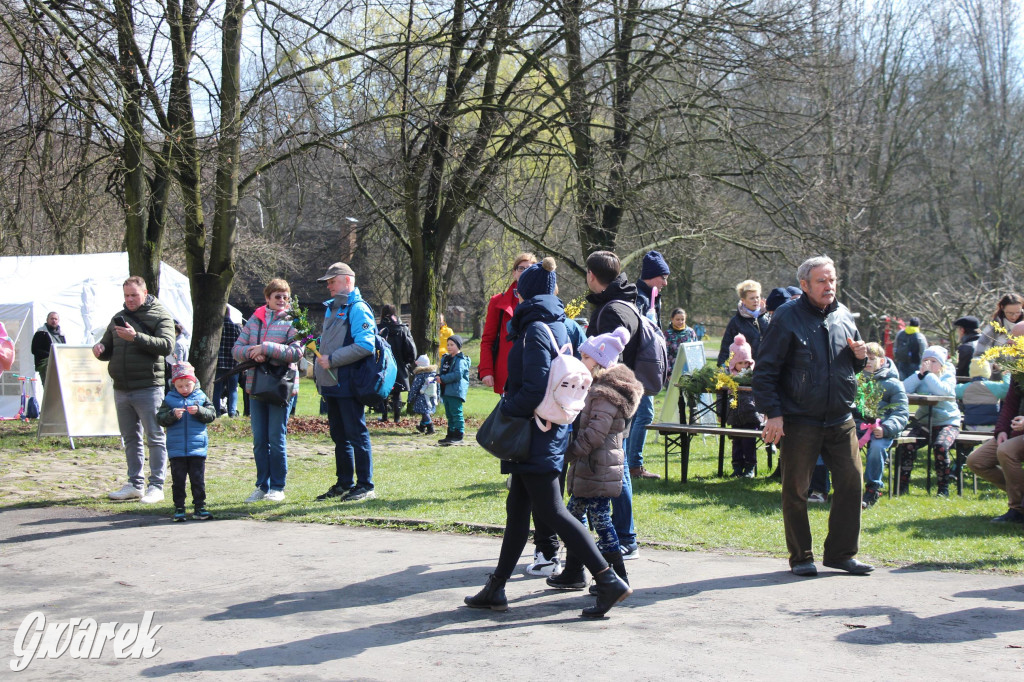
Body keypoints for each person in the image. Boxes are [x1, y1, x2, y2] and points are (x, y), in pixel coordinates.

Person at [463, 257, 632, 618]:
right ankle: (496, 588)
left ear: (523, 293)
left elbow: (535, 387)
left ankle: (608, 579)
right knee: (518, 509)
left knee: (553, 511)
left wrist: (507, 411)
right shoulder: (567, 326)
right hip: (553, 430)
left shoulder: (535, 328)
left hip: (535, 433)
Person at [752, 255, 874, 577]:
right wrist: (773, 415)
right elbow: (765, 371)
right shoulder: (786, 318)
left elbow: (850, 365)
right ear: (804, 285)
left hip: (840, 419)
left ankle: (841, 554)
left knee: (851, 484)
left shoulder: (845, 316)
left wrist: (860, 358)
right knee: (797, 491)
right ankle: (801, 556)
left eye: (832, 280)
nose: (829, 286)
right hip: (799, 419)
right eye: (822, 280)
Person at [547, 327, 642, 592]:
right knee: (575, 518)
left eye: (586, 358)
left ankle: (616, 577)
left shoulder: (604, 395)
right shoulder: (598, 390)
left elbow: (594, 435)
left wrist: (568, 453)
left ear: (599, 362)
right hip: (593, 466)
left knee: (600, 520)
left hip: (597, 467)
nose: (581, 360)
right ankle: (575, 572)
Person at [94, 276, 176, 504]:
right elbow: (108, 347)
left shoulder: (160, 315)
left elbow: (168, 346)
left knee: (155, 437)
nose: (129, 300)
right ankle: (134, 484)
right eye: (126, 295)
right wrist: (100, 349)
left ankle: (156, 486)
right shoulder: (117, 318)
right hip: (121, 387)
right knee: (130, 438)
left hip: (149, 387)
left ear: (145, 292)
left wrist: (136, 337)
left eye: (134, 295)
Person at [584, 250, 642, 559]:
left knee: (615, 469)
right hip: (626, 393)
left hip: (612, 395)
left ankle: (624, 537)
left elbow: (605, 359)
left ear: (592, 275)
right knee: (617, 466)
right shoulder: (628, 303)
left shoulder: (611, 311)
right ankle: (621, 534)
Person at [233, 278, 302, 503]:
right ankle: (262, 485)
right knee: (259, 440)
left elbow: (296, 352)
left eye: (285, 297)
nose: (282, 301)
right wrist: (253, 352)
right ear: (267, 298)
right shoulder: (255, 320)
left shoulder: (294, 320)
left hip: (282, 387)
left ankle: (278, 486)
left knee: (276, 437)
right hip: (255, 385)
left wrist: (267, 348)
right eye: (277, 297)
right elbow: (237, 349)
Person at [313, 262, 377, 503]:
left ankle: (365, 485)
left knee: (356, 434)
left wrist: (333, 359)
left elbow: (366, 344)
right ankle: (344, 483)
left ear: (347, 281)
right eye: (328, 282)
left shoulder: (358, 308)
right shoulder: (332, 309)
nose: (328, 286)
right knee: (339, 436)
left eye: (332, 281)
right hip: (333, 384)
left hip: (350, 383)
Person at [624, 250, 669, 482]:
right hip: (640, 365)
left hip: (645, 364)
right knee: (642, 414)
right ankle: (632, 465)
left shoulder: (651, 296)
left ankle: (630, 463)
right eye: (663, 277)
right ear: (653, 276)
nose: (665, 282)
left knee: (639, 414)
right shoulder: (639, 297)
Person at [966, 358, 1024, 524]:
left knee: (1006, 450)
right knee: (976, 461)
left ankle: (1017, 510)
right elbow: (1010, 404)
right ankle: (1021, 499)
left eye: (1016, 342)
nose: (1011, 348)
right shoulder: (1019, 369)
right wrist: (1002, 430)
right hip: (1015, 431)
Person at [897, 346, 960, 497]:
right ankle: (902, 486)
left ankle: (943, 488)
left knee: (940, 447)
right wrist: (919, 375)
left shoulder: (948, 376)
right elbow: (902, 389)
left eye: (933, 361)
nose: (929, 364)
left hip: (948, 422)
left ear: (941, 364)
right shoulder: (921, 376)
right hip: (924, 422)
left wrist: (929, 375)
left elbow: (942, 391)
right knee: (907, 445)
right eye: (925, 361)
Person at [157, 362, 216, 521]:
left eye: (187, 385)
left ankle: (199, 506)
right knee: (178, 481)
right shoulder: (169, 399)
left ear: (194, 382)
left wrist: (199, 411)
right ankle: (179, 508)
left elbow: (211, 414)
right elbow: (160, 419)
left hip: (197, 447)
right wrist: (172, 415)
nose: (184, 389)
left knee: (198, 479)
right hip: (176, 449)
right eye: (180, 385)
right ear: (174, 384)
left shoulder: (201, 397)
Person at [858, 342, 910, 509]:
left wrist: (886, 428)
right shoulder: (855, 380)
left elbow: (901, 412)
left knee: (876, 448)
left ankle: (873, 488)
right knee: (840, 445)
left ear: (881, 361)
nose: (868, 361)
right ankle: (844, 486)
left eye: (872, 358)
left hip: (882, 429)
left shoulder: (892, 383)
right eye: (865, 358)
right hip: (858, 427)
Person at [479, 252, 538, 395]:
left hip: (535, 371)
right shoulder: (497, 302)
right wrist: (486, 370)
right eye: (521, 268)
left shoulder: (542, 301)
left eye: (530, 268)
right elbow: (487, 340)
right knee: (509, 415)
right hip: (507, 374)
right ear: (514, 272)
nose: (525, 272)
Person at [725, 334, 762, 478]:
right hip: (735, 415)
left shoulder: (753, 377)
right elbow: (722, 394)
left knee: (749, 441)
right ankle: (737, 466)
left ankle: (750, 467)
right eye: (741, 363)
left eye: (747, 363)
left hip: (750, 414)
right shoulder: (729, 377)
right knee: (736, 442)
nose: (744, 366)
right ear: (734, 363)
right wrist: (721, 413)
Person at [377, 304, 416, 423]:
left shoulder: (379, 328)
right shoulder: (403, 328)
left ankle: (384, 416)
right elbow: (410, 347)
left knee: (384, 389)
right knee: (397, 391)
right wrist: (409, 360)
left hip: (383, 363)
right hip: (399, 362)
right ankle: (397, 418)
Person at [717, 280, 765, 367]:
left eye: (757, 297)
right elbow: (726, 347)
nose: (756, 300)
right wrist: (721, 367)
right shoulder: (736, 322)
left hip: (767, 367)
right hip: (744, 369)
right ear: (743, 300)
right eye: (752, 298)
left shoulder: (768, 317)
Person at [438, 335, 471, 446]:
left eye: (452, 345)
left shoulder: (460, 360)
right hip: (446, 391)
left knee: (456, 413)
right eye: (448, 344)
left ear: (458, 346)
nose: (449, 347)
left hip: (455, 391)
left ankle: (459, 434)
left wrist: (442, 379)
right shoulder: (446, 358)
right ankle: (450, 434)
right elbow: (444, 372)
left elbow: (457, 375)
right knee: (449, 414)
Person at [213, 309, 243, 417]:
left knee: (217, 390)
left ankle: (216, 412)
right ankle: (232, 411)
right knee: (233, 389)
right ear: (229, 314)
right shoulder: (237, 328)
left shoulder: (216, 329)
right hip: (233, 363)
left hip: (219, 363)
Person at [408, 355, 439, 435]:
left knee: (424, 412)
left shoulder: (420, 375)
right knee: (425, 411)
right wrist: (438, 396)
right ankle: (422, 427)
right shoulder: (433, 374)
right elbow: (438, 386)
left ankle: (430, 427)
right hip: (432, 396)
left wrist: (410, 397)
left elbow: (415, 387)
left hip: (422, 397)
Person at [31, 311, 64, 384]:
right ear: (47, 320)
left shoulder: (61, 334)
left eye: (55, 319)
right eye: (51, 319)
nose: (54, 321)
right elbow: (35, 349)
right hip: (46, 365)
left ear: (58, 321)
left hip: (60, 364)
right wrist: (51, 355)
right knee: (49, 386)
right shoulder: (41, 333)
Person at [664, 308, 697, 375]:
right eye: (677, 319)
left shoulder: (691, 332)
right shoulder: (667, 334)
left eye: (682, 319)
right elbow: (665, 355)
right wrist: (669, 373)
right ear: (672, 319)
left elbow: (696, 351)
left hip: (689, 370)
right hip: (673, 371)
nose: (680, 322)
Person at [893, 316, 927, 380]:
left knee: (902, 380)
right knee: (912, 381)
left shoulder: (900, 333)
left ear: (909, 324)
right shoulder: (920, 336)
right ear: (918, 326)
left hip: (901, 361)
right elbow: (924, 351)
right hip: (915, 362)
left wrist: (896, 357)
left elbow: (895, 347)